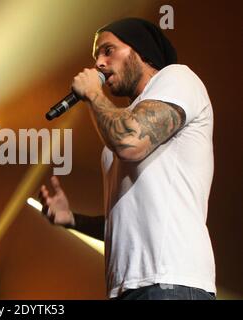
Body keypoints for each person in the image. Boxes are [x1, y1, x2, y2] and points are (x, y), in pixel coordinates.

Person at [39, 18, 216, 300]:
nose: (98, 63)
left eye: (108, 50)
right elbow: (125, 226)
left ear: (142, 52)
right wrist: (72, 220)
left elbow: (129, 142)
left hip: (171, 281)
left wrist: (94, 94)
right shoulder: (119, 124)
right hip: (128, 288)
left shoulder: (177, 78)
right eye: (96, 55)